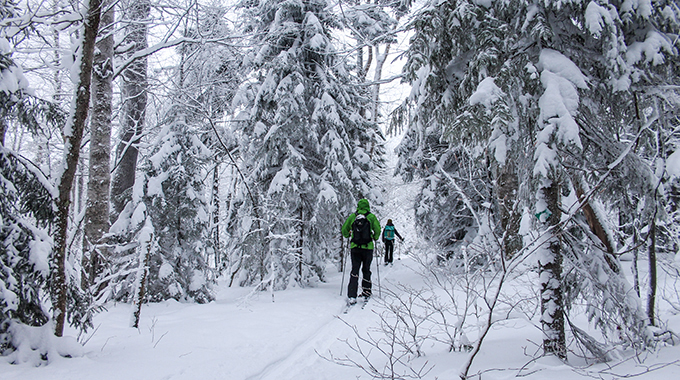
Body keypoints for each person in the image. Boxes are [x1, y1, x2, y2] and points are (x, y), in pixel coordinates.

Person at [341, 198, 381, 304]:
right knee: (366, 270)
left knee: (355, 270)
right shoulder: (371, 217)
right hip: (368, 248)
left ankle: (352, 295)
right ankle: (366, 293)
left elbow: (344, 229)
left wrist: (348, 235)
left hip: (355, 248)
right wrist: (375, 237)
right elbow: (377, 230)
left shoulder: (353, 217)